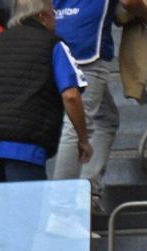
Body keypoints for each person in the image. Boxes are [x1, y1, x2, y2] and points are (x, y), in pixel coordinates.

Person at [0, 0, 91, 184]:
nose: (56, 20)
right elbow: (70, 95)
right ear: (42, 17)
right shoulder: (53, 45)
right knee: (26, 211)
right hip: (24, 148)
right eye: (53, 14)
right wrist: (83, 139)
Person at [47, 0, 134, 207]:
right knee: (76, 125)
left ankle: (86, 192)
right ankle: (62, 208)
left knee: (106, 118)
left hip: (57, 33)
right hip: (87, 44)